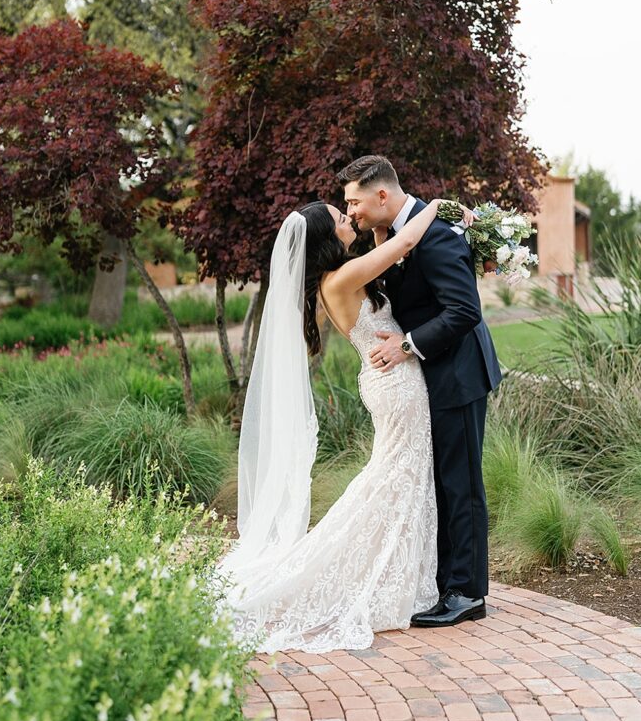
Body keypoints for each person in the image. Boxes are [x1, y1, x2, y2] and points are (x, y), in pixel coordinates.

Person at [203, 195, 471, 654]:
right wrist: (440, 205)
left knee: (401, 477)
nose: (350, 219)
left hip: (393, 380)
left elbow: (391, 243)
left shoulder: (341, 275)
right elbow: (407, 239)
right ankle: (370, 571)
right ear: (328, 239)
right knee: (395, 478)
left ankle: (405, 570)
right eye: (341, 218)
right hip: (395, 385)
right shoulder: (344, 277)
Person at [337, 155, 502, 628]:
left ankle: (468, 594)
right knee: (444, 484)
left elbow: (464, 311)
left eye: (355, 201)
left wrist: (408, 345)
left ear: (382, 195)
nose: (351, 212)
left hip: (459, 374)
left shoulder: (437, 234)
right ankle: (447, 582)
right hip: (431, 377)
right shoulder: (392, 235)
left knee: (462, 484)